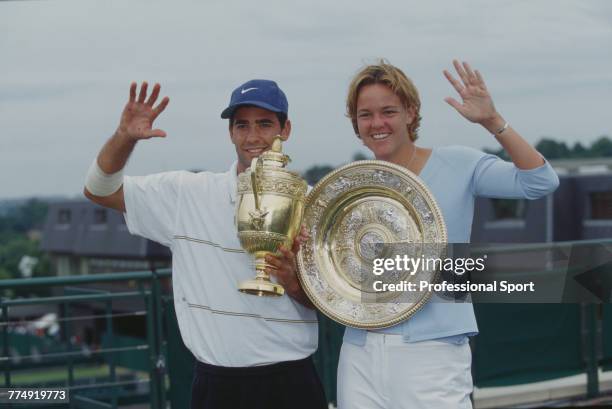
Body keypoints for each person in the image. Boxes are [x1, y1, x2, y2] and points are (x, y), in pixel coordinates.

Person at [83, 79, 327, 409]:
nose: (253, 137)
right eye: (242, 125)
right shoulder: (187, 195)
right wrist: (124, 138)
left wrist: (294, 282)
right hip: (217, 386)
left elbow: (327, 303)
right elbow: (98, 189)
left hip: (291, 383)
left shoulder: (312, 204)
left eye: (265, 124)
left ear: (286, 129)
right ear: (230, 133)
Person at [338, 60, 560, 409]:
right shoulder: (350, 185)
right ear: (355, 123)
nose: (377, 123)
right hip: (358, 351)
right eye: (365, 114)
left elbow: (540, 181)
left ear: (411, 113)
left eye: (388, 111)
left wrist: (492, 121)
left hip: (434, 351)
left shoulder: (458, 164)